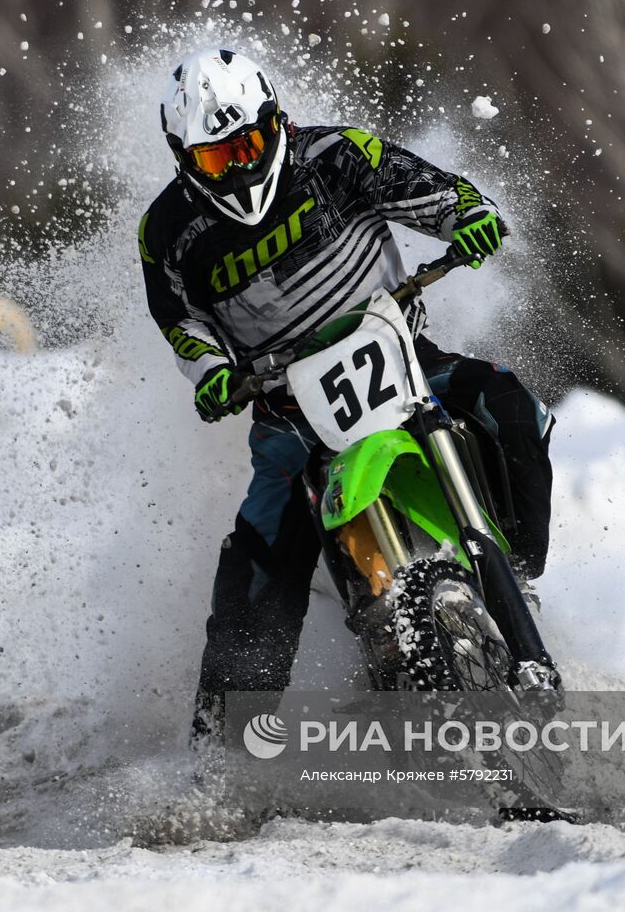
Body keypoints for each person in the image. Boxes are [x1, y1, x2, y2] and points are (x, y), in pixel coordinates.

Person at [137, 49, 555, 743]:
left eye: (247, 144)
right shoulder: (168, 233)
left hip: (407, 359)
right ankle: (220, 753)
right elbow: (179, 321)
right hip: (286, 416)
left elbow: (435, 189)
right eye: (217, 160)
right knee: (254, 568)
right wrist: (210, 371)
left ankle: (515, 571)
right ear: (185, 159)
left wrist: (468, 215)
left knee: (515, 408)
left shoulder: (339, 154)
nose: (239, 168)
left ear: (277, 120)